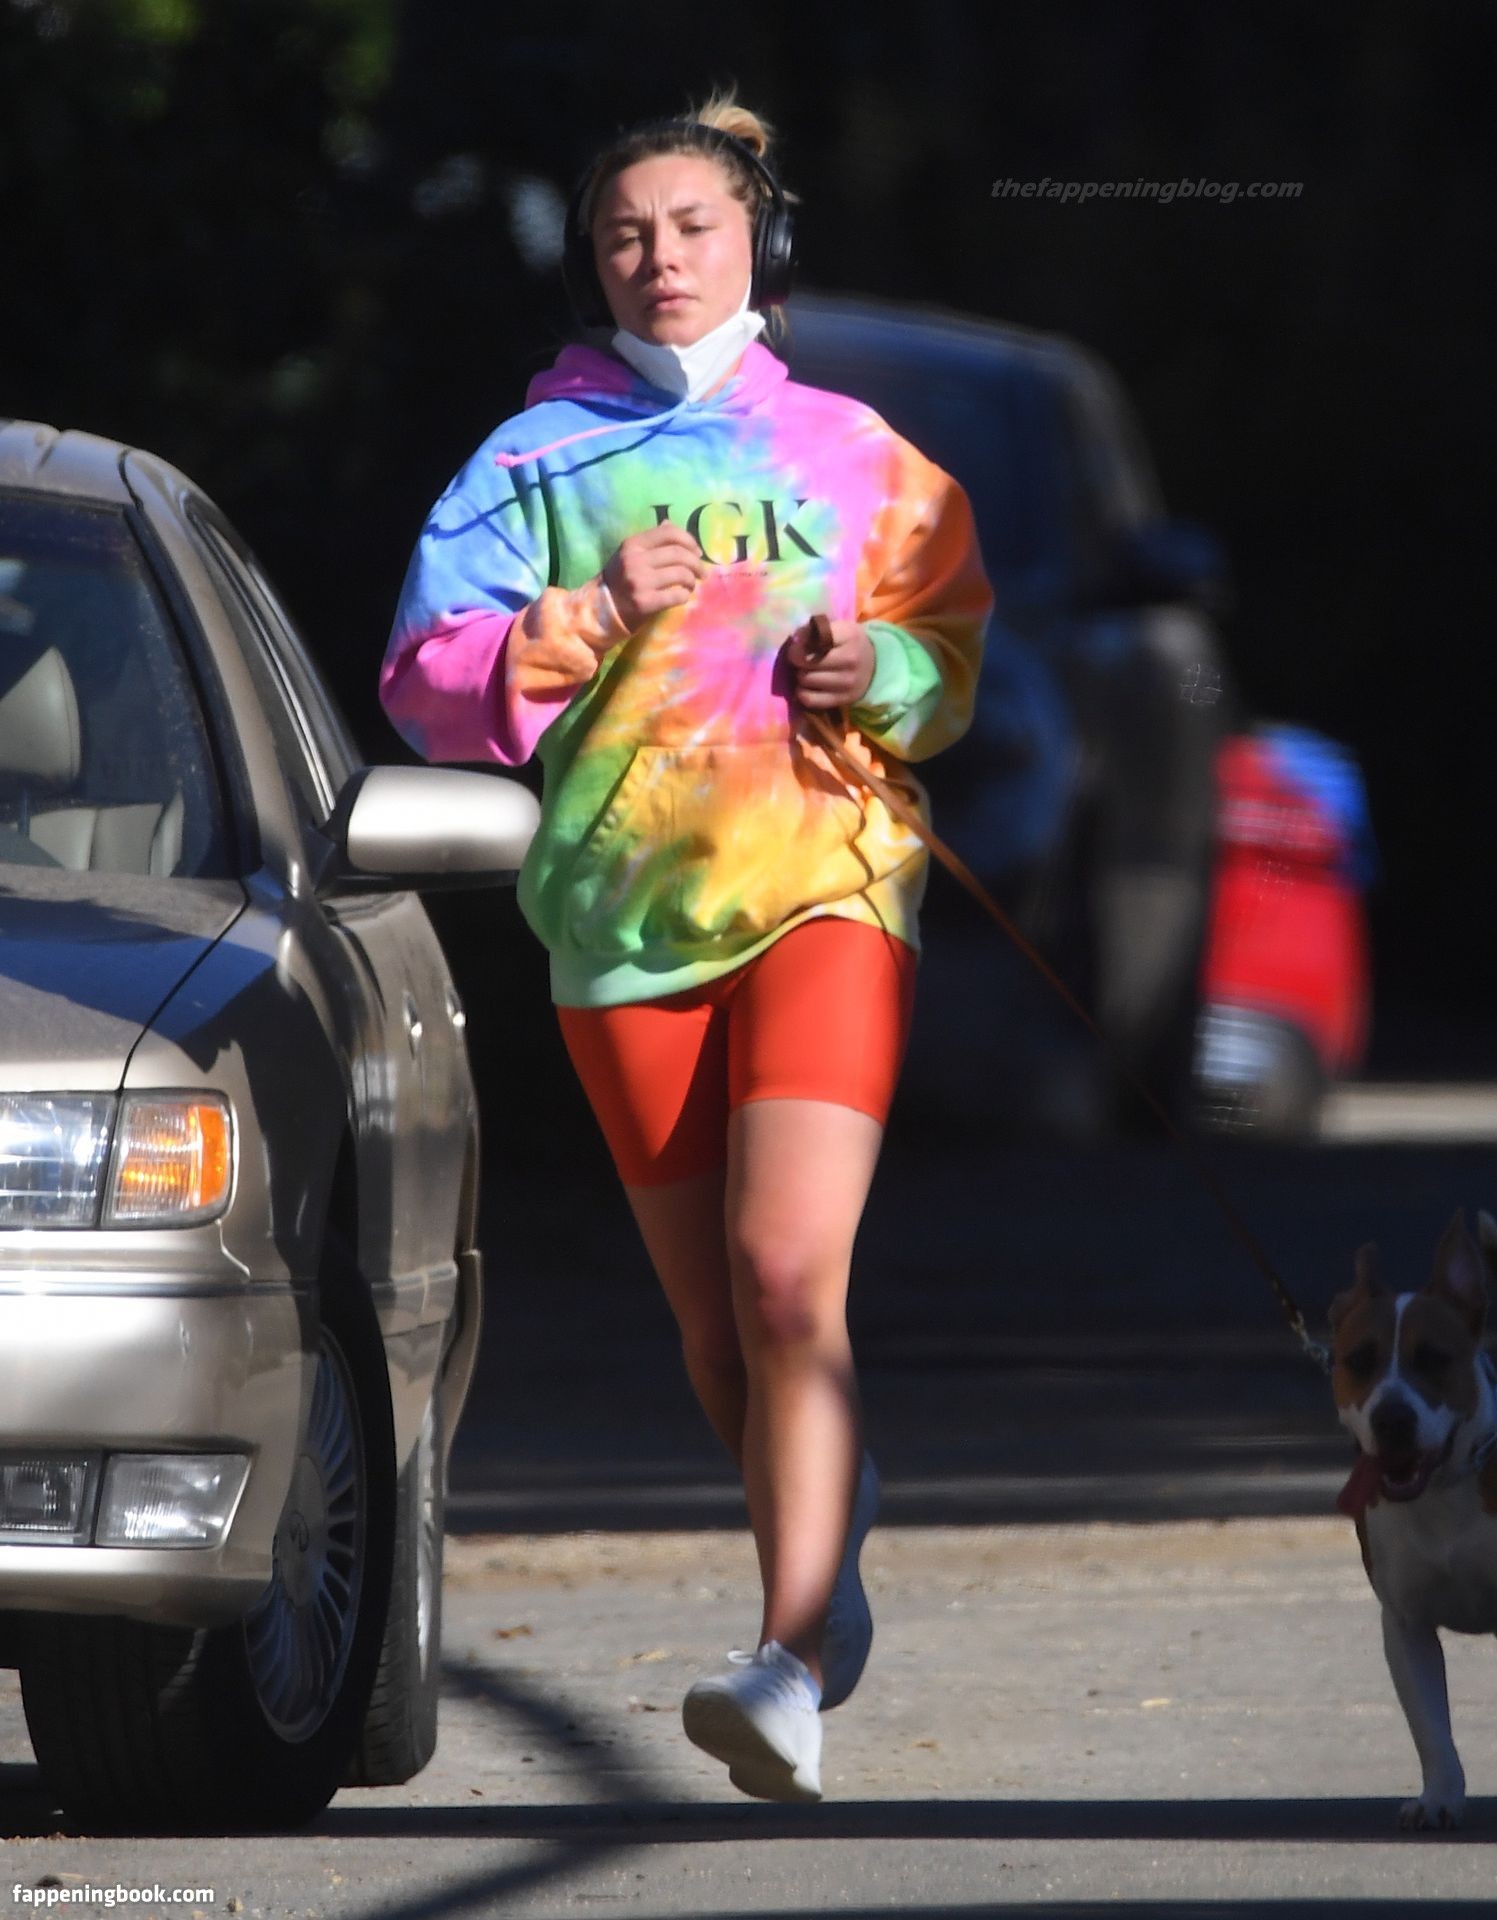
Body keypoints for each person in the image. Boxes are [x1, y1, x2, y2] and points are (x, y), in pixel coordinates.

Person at [380, 91, 992, 1804]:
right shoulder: (530, 464)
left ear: (758, 242)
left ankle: (788, 1660)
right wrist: (579, 618)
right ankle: (827, 1522)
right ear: (592, 261)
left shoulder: (859, 454)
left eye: (693, 228)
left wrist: (879, 672)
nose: (659, 259)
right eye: (625, 236)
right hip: (617, 918)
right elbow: (424, 683)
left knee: (788, 1274)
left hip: (827, 886)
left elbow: (949, 650)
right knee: (718, 1334)